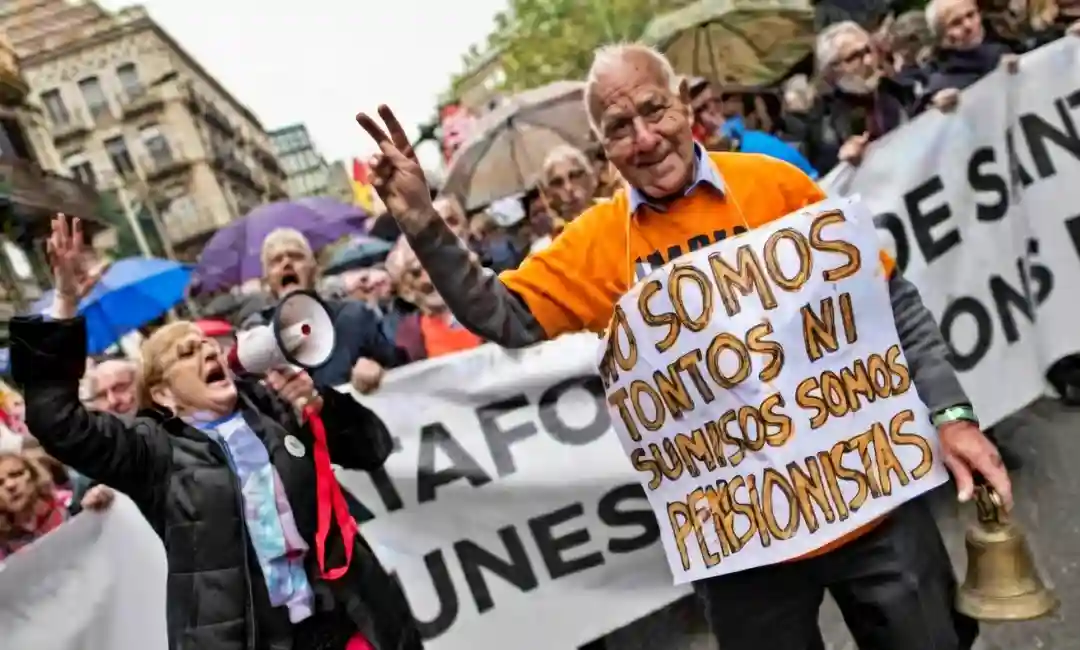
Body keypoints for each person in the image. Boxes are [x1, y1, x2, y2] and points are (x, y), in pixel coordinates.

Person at [356, 42, 1011, 650]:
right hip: (745, 555)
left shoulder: (775, 185)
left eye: (653, 110)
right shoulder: (594, 245)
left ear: (683, 107)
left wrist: (951, 415)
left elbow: (890, 303)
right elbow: (502, 316)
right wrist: (421, 224)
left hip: (875, 516)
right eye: (619, 127)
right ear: (602, 147)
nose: (644, 138)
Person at [12, 214, 423, 650]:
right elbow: (54, 420)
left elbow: (372, 447)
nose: (205, 350)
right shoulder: (151, 450)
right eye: (186, 352)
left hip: (347, 622)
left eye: (206, 344)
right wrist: (64, 305)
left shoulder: (273, 404)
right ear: (164, 394)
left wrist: (324, 404)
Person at [245, 227, 406, 393]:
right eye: (276, 261)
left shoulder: (355, 316)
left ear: (315, 269)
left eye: (296, 256)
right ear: (267, 281)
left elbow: (401, 370)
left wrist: (378, 370)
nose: (287, 263)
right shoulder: (259, 338)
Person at [809, 20, 919, 171]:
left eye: (868, 51)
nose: (868, 61)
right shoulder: (825, 124)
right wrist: (843, 161)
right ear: (830, 72)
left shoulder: (902, 90)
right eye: (854, 57)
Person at [688, 77, 820, 178]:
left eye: (715, 101)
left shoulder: (756, 145)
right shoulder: (703, 168)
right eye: (700, 110)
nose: (713, 111)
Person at [0, 448, 115, 562]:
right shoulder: (3, 543)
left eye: (16, 474)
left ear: (34, 476)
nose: (10, 485)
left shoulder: (68, 504)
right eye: (0, 483)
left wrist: (91, 510)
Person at [540, 144, 599, 224]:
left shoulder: (616, 209)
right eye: (558, 183)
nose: (568, 188)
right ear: (549, 194)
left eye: (574, 176)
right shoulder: (560, 235)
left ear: (590, 176)